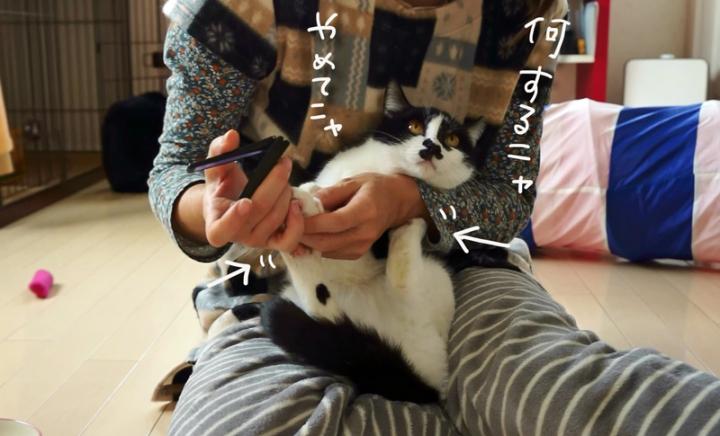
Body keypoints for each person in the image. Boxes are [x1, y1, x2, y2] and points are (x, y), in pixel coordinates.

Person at [149, 0, 720, 434]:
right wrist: (215, 210)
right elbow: (178, 164)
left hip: (462, 266)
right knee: (247, 420)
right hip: (275, 280)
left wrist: (408, 203)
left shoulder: (531, 15)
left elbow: (509, 198)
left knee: (572, 392)